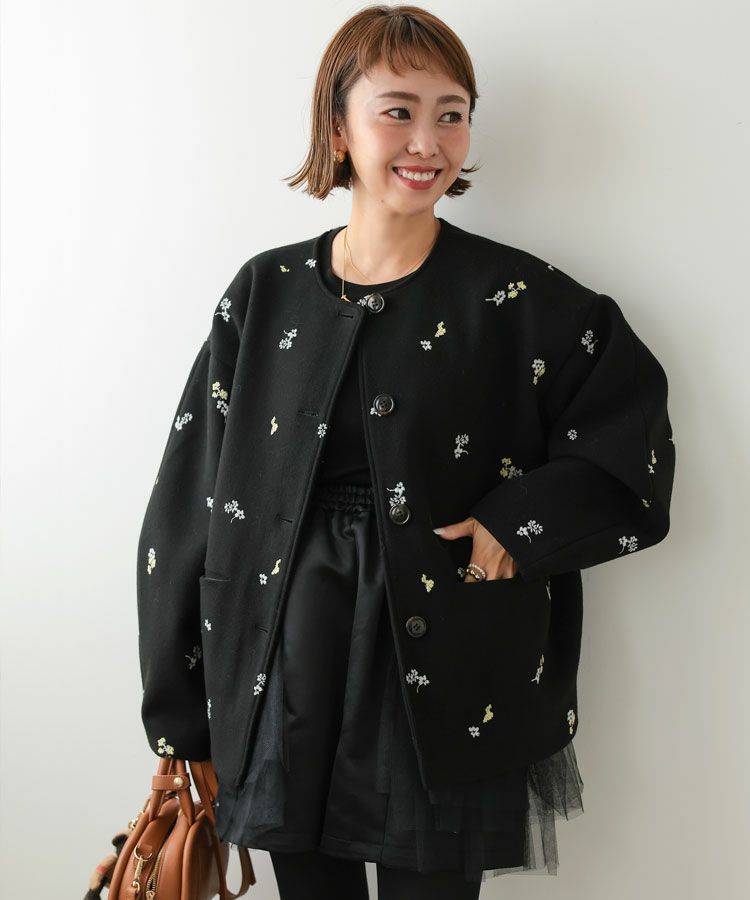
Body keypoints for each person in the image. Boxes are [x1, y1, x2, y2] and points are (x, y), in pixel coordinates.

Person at [135, 5, 675, 899]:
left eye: (451, 113)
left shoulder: (518, 297)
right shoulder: (265, 292)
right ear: (337, 127)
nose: (428, 141)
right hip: (282, 656)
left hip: (449, 662)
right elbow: (188, 500)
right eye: (398, 110)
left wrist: (520, 525)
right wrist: (179, 711)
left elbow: (632, 435)